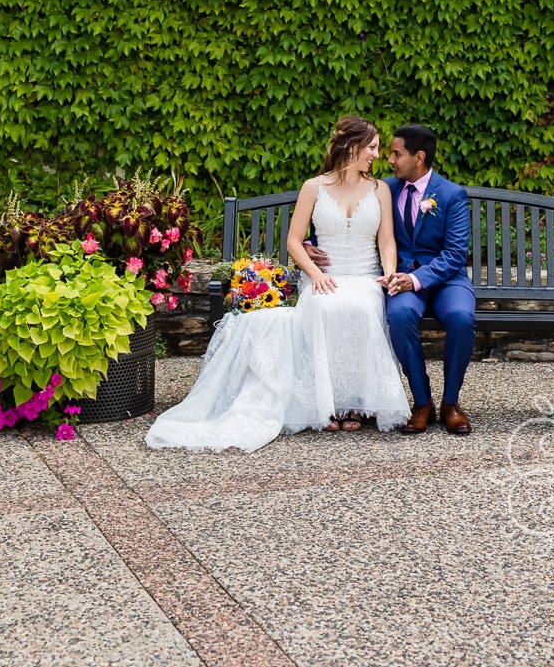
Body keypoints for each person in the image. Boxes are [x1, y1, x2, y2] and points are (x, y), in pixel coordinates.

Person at [144, 116, 410, 452]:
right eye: (371, 146)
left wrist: (387, 273)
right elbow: (294, 242)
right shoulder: (314, 187)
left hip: (365, 275)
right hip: (326, 275)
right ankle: (325, 402)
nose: (377, 154)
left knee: (359, 305)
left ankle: (351, 401)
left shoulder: (379, 189)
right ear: (351, 146)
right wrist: (316, 275)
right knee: (324, 304)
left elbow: (387, 241)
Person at [306, 123, 475, 434]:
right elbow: (336, 224)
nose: (389, 160)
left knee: (463, 318)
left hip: (446, 280)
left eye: (397, 154)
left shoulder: (451, 195)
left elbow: (454, 254)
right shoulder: (382, 188)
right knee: (398, 315)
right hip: (400, 279)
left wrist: (416, 279)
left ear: (419, 157)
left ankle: (451, 402)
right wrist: (310, 246)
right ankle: (422, 402)